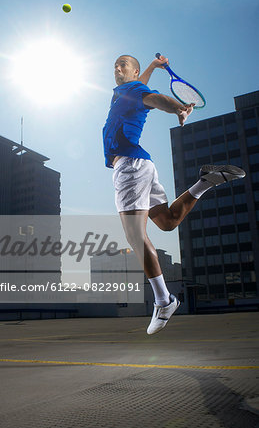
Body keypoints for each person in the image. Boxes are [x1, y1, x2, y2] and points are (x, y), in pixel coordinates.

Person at [103, 54, 246, 335]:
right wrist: (154, 67)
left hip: (129, 168)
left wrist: (179, 108)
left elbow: (157, 98)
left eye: (122, 65)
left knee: (135, 236)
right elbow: (144, 87)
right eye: (114, 66)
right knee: (167, 222)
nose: (116, 68)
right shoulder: (127, 92)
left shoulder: (132, 91)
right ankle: (205, 183)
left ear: (132, 71)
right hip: (142, 166)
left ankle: (164, 301)